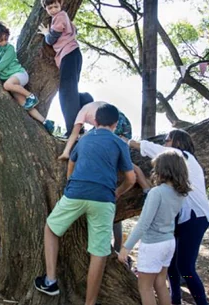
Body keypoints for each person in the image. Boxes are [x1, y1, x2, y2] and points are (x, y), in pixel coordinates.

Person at [34, 103, 136, 305]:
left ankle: (51, 280)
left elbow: (71, 164)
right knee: (98, 252)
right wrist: (117, 191)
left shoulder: (84, 139)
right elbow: (131, 178)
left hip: (76, 192)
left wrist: (71, 185)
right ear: (115, 124)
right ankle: (89, 303)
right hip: (104, 198)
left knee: (51, 228)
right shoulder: (120, 143)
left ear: (95, 121)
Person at [125, 129, 209, 305]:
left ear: (177, 142)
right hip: (184, 218)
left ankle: (202, 302)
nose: (164, 143)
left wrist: (129, 143)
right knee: (171, 265)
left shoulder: (181, 155)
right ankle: (175, 300)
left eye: (167, 140)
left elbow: (153, 149)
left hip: (195, 218)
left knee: (186, 267)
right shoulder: (182, 174)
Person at [118, 151, 191, 305]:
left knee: (145, 287)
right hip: (168, 242)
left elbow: (144, 223)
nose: (154, 171)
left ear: (164, 170)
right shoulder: (180, 193)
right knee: (160, 283)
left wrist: (126, 247)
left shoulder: (156, 193)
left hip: (153, 244)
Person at [0, 22, 54, 133]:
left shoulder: (10, 49)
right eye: (0, 40)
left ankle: (31, 96)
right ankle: (46, 122)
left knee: (7, 85)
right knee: (24, 105)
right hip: (12, 83)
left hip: (19, 75)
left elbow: (2, 65)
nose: (4, 42)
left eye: (5, 39)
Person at [39, 0, 82, 138]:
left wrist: (46, 33)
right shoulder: (62, 17)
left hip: (69, 54)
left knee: (66, 93)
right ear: (45, 8)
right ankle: (79, 122)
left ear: (61, 5)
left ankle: (73, 130)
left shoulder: (60, 16)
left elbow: (51, 39)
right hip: (72, 55)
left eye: (55, 6)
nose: (53, 10)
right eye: (49, 7)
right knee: (70, 92)